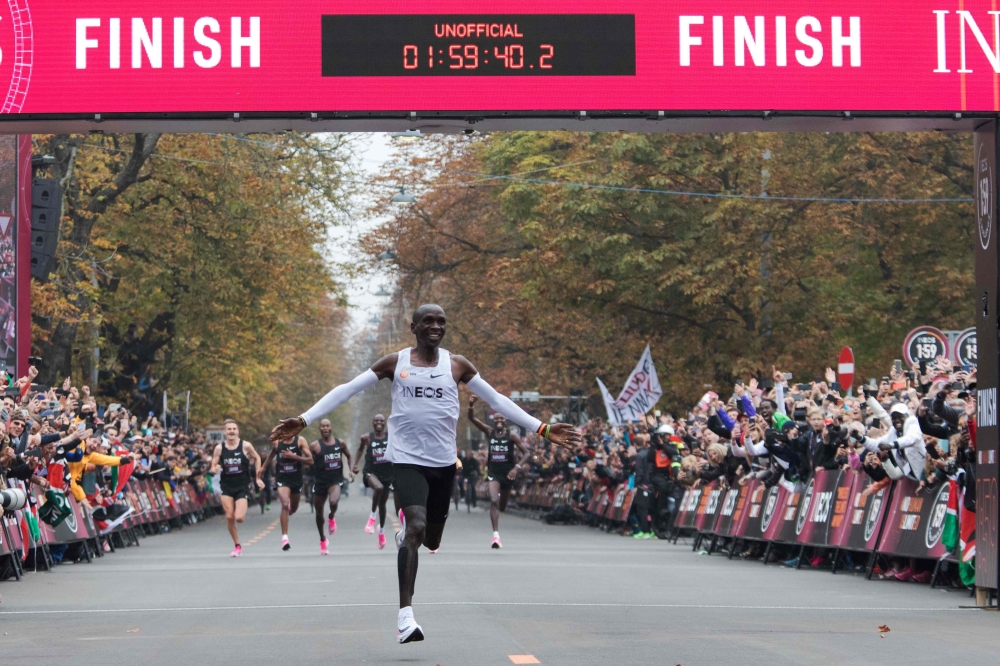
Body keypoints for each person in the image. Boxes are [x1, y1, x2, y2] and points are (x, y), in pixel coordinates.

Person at [270, 303, 581, 644]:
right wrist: (304, 419)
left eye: (441, 321)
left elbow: (497, 400)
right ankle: (406, 617)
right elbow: (348, 389)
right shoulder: (395, 362)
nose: (435, 326)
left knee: (431, 539)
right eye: (428, 321)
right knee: (415, 525)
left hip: (443, 464)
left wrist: (543, 429)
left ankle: (410, 541)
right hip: (406, 461)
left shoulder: (457, 364)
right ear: (414, 326)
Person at [467, 395, 530, 548]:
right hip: (494, 473)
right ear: (493, 421)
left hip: (508, 474)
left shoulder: (512, 436)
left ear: (506, 421)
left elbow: (527, 453)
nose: (499, 421)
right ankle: (496, 536)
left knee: (502, 506)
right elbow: (472, 419)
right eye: (496, 419)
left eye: (501, 419)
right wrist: (470, 405)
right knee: (493, 501)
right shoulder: (490, 432)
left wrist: (517, 467)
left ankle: (500, 512)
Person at [209, 419, 264, 557]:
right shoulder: (219, 448)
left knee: (239, 518)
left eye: (234, 429)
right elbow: (213, 465)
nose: (232, 431)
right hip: (227, 485)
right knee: (229, 516)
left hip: (242, 486)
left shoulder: (245, 446)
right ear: (225, 432)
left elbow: (257, 458)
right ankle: (237, 545)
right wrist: (214, 468)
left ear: (238, 431)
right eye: (229, 429)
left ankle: (237, 532)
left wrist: (258, 477)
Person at [262, 430, 313, 551]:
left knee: (293, 509)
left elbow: (311, 460)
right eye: (286, 428)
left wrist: (294, 456)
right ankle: (285, 538)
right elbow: (273, 452)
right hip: (282, 478)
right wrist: (264, 467)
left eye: (291, 428)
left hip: (296, 479)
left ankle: (289, 510)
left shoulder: (300, 441)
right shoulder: (277, 441)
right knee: (285, 504)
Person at [353, 414, 397, 549]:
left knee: (382, 506)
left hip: (387, 474)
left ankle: (381, 532)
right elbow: (360, 449)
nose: (379, 422)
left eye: (381, 421)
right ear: (373, 423)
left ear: (385, 423)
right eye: (376, 420)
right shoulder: (366, 438)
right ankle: (372, 517)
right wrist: (354, 465)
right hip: (371, 471)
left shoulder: (391, 437)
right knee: (378, 488)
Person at [310, 419, 353, 555]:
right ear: (319, 429)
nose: (325, 428)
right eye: (323, 426)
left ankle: (332, 516)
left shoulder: (340, 443)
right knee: (318, 513)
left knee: (333, 501)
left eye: (328, 426)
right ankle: (323, 540)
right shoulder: (315, 446)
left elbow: (349, 456)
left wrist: (351, 470)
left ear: (331, 428)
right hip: (320, 482)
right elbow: (309, 461)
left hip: (335, 480)